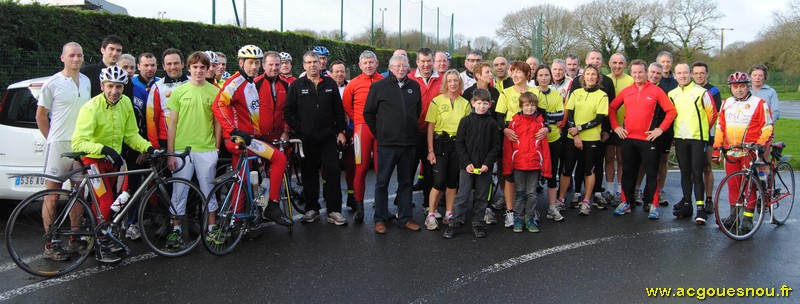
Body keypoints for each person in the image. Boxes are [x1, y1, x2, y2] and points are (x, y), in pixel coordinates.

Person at [71, 65, 154, 263]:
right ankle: (101, 243)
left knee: (120, 198)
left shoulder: (125, 103)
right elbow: (78, 142)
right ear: (102, 86)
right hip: (94, 160)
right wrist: (104, 149)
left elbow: (131, 135)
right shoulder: (91, 107)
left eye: (119, 87)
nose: (114, 91)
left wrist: (149, 148)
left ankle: (97, 234)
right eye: (110, 86)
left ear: (124, 87)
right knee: (107, 201)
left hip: (114, 161)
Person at [213, 45, 294, 227]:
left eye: (257, 63)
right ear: (241, 63)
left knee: (243, 180)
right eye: (251, 62)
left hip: (249, 138)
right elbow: (218, 105)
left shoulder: (249, 82)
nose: (254, 66)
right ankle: (272, 206)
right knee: (279, 159)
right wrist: (233, 131)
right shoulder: (235, 82)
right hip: (240, 140)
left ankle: (238, 221)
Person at [36, 42, 92, 261]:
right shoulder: (52, 83)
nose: (76, 59)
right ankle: (51, 243)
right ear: (63, 58)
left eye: (79, 55)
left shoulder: (87, 81)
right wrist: (51, 139)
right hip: (59, 144)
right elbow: (41, 115)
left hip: (80, 144)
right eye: (71, 55)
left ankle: (74, 238)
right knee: (52, 195)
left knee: (78, 193)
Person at [285, 51, 348, 226]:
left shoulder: (330, 84)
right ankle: (311, 209)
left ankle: (334, 210)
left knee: (333, 171)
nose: (313, 65)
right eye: (309, 62)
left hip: (328, 138)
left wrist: (341, 131)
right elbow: (288, 111)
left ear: (321, 64)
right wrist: (300, 128)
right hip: (307, 139)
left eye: (315, 62)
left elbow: (338, 110)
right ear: (304, 65)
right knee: (309, 174)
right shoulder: (297, 86)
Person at [165, 51, 221, 248]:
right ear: (189, 68)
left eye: (202, 67)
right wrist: (171, 152)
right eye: (195, 67)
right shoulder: (179, 91)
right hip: (182, 149)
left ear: (208, 70)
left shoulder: (214, 92)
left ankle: (213, 229)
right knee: (179, 192)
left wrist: (217, 148)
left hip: (206, 149)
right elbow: (172, 123)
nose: (198, 71)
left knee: (209, 190)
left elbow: (217, 123)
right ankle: (176, 231)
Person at [609, 59, 676, 219]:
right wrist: (616, 127)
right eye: (635, 72)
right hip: (629, 139)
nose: (638, 75)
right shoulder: (626, 91)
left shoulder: (656, 91)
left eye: (640, 72)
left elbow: (671, 111)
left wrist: (660, 129)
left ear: (646, 73)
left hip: (649, 139)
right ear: (631, 73)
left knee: (652, 173)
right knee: (627, 173)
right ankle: (626, 202)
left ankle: (652, 204)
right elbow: (611, 108)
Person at [363, 54, 422, 234]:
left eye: (404, 65)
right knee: (382, 182)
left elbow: (417, 111)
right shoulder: (378, 86)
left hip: (409, 143)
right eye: (397, 65)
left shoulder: (414, 86)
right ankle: (380, 219)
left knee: (406, 182)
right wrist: (380, 133)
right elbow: (368, 113)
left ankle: (405, 218)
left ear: (409, 67)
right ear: (390, 67)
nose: (401, 68)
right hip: (387, 144)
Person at [712, 72, 773, 232]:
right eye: (735, 87)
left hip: (749, 151)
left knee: (749, 186)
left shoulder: (759, 103)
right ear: (731, 88)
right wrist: (717, 147)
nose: (738, 90)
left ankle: (748, 218)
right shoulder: (726, 103)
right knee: (733, 184)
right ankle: (734, 216)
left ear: (748, 87)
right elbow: (720, 127)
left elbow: (767, 127)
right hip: (731, 152)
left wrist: (760, 145)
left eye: (742, 86)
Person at [443, 89, 501, 239]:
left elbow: (496, 146)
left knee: (481, 197)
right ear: (473, 103)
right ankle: (454, 223)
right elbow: (460, 143)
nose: (481, 106)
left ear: (490, 105)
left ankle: (478, 224)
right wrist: (466, 162)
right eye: (479, 103)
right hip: (466, 167)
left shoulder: (492, 124)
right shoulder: (466, 121)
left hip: (484, 168)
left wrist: (488, 164)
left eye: (485, 103)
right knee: (462, 196)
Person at [495, 61, 545, 227]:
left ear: (527, 74)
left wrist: (546, 129)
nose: (515, 75)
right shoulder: (506, 92)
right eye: (513, 72)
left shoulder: (536, 92)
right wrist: (505, 130)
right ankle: (511, 212)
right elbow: (498, 116)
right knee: (510, 175)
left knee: (530, 179)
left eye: (518, 72)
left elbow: (543, 116)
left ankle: (529, 213)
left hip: (531, 137)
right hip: (513, 136)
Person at [567, 50, 616, 210]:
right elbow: (571, 110)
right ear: (587, 60)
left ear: (602, 62)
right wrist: (575, 131)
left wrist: (608, 128)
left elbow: (611, 108)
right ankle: (577, 193)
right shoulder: (576, 82)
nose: (595, 61)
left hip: (598, 132)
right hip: (576, 133)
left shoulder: (607, 82)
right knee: (580, 163)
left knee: (595, 163)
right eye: (592, 58)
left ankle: (597, 193)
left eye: (598, 59)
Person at [423, 70, 471, 231]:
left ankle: (449, 213)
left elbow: (467, 129)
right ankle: (431, 214)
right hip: (440, 144)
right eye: (450, 81)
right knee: (439, 181)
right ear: (445, 83)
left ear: (459, 82)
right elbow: (430, 128)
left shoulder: (465, 103)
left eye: (456, 80)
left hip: (457, 145)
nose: (453, 83)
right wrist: (430, 150)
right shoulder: (436, 102)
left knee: (452, 181)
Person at [669, 63, 717, 221]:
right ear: (674, 75)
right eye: (679, 73)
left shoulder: (701, 92)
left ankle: (701, 209)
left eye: (685, 72)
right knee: (685, 172)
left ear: (690, 74)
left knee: (697, 173)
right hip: (680, 139)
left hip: (697, 138)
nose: (682, 76)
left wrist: (702, 130)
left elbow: (712, 115)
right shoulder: (672, 94)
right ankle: (687, 204)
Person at [559, 64, 608, 216]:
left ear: (598, 77)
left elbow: (599, 118)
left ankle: (586, 201)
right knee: (567, 169)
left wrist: (579, 129)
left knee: (589, 169)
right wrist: (576, 135)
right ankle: (560, 200)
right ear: (583, 76)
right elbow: (570, 115)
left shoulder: (602, 95)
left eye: (594, 74)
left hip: (592, 138)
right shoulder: (576, 92)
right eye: (588, 74)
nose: (591, 77)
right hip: (572, 137)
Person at [342, 50, 384, 223]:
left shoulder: (385, 81)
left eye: (371, 62)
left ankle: (381, 207)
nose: (368, 66)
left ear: (377, 63)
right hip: (361, 129)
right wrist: (359, 120)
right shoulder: (353, 84)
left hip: (381, 129)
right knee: (361, 167)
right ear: (359, 65)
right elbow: (347, 106)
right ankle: (359, 208)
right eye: (364, 63)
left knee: (381, 168)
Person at [503, 92, 551, 232]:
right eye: (526, 105)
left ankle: (530, 218)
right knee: (519, 192)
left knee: (532, 194)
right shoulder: (514, 122)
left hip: (535, 165)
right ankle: (518, 218)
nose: (529, 108)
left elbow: (545, 148)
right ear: (521, 106)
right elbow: (508, 148)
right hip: (518, 164)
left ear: (536, 106)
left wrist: (546, 169)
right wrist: (507, 169)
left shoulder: (540, 123)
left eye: (532, 105)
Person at [409, 48, 442, 211]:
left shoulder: (442, 79)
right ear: (417, 62)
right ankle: (404, 203)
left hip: (433, 133)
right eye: (422, 61)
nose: (426, 64)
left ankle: (428, 206)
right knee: (407, 170)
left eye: (429, 61)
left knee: (430, 172)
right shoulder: (408, 79)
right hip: (413, 132)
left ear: (433, 61)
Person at [533, 65, 565, 221]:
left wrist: (544, 120)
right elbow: (531, 115)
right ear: (536, 77)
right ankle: (531, 210)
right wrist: (546, 120)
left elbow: (560, 115)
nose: (544, 77)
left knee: (551, 173)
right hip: (535, 139)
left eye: (547, 75)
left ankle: (552, 208)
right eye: (541, 75)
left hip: (553, 139)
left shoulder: (556, 94)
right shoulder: (532, 93)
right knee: (532, 174)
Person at [692, 61, 722, 215]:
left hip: (707, 135)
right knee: (692, 169)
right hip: (690, 135)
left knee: (707, 167)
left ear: (707, 74)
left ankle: (708, 200)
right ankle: (691, 200)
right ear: (692, 74)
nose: (699, 76)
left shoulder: (714, 91)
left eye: (702, 73)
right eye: (696, 73)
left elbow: (713, 114)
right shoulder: (688, 89)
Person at [604, 53, 634, 206]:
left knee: (622, 160)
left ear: (625, 64)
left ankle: (619, 191)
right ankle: (609, 190)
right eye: (614, 62)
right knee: (609, 158)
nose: (617, 66)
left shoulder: (631, 80)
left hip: (625, 127)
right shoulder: (604, 79)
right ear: (609, 63)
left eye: (620, 63)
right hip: (609, 126)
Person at [146, 48, 189, 150]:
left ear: (182, 64)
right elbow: (151, 119)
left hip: (190, 138)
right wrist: (155, 146)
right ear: (164, 66)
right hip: (165, 140)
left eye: (176, 63)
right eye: (169, 64)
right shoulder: (157, 87)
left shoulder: (193, 83)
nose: (173, 67)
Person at [329, 59, 356, 212]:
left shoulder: (351, 86)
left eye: (342, 71)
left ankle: (351, 196)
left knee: (351, 165)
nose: (340, 74)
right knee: (329, 167)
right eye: (336, 71)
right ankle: (328, 192)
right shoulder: (325, 86)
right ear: (331, 73)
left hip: (349, 130)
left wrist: (348, 131)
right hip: (330, 133)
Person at [81, 35, 132, 99]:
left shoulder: (124, 77)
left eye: (118, 50)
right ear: (102, 50)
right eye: (111, 49)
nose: (115, 53)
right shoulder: (87, 72)